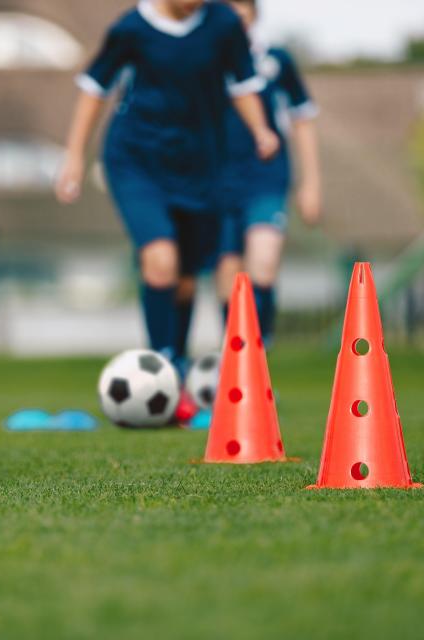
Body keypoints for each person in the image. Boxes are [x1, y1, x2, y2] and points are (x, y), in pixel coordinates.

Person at [55, 0, 280, 380]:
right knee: (160, 259)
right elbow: (95, 88)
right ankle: (162, 367)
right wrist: (74, 156)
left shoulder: (223, 23)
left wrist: (260, 129)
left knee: (186, 276)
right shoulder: (132, 28)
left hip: (199, 164)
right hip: (136, 160)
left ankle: (177, 361)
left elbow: (242, 84)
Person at [217, 0, 322, 345]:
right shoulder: (204, 62)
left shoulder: (276, 61)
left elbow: (302, 119)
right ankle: (233, 361)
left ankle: (262, 351)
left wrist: (311, 183)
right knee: (229, 275)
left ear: (254, 14)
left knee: (262, 262)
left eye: (241, 11)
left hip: (267, 177)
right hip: (216, 179)